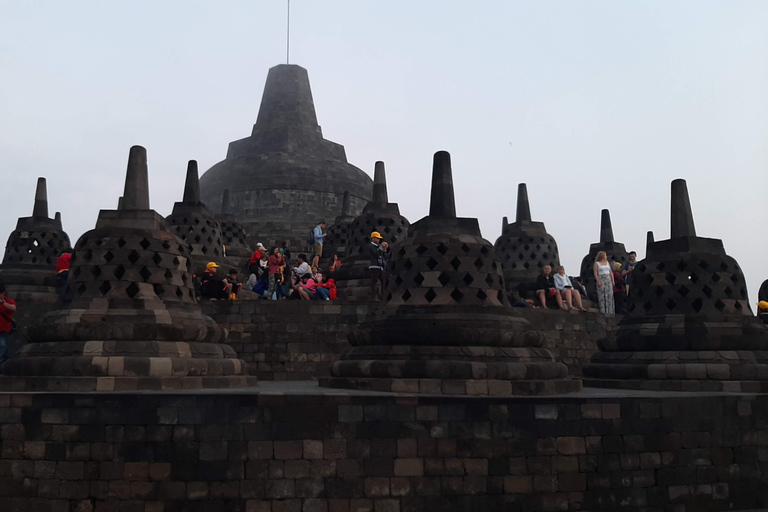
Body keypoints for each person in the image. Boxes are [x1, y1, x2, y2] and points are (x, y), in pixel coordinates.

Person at [0, 283, 17, 367]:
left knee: (3, 346)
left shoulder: (8, 301)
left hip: (4, 330)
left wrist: (2, 302)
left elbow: (13, 308)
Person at [368, 232, 388, 301]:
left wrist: (384, 249)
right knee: (374, 281)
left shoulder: (378, 246)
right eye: (377, 238)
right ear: (373, 238)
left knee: (383, 280)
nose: (378, 240)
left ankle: (382, 295)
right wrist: (381, 248)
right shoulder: (371, 246)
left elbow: (384, 256)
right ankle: (373, 296)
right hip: (374, 266)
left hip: (380, 266)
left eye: (379, 239)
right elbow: (376, 254)